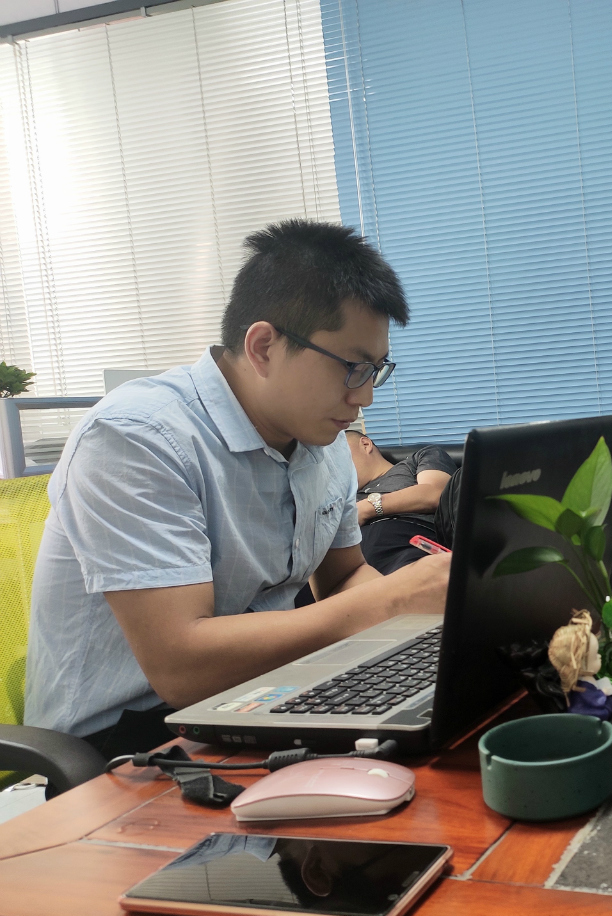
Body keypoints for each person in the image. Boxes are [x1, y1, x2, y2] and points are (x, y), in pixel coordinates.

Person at [24, 220, 450, 757]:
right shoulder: (136, 438)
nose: (364, 397)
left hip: (266, 691)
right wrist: (391, 601)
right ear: (264, 347)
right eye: (352, 368)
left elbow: (343, 578)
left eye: (376, 370)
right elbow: (182, 669)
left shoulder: (321, 444)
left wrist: (422, 616)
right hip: (126, 742)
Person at [345, 429, 457, 573]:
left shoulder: (420, 458)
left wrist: (366, 508)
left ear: (365, 444)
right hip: (354, 559)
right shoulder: (344, 498)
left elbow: (435, 493)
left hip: (407, 541)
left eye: (338, 456)